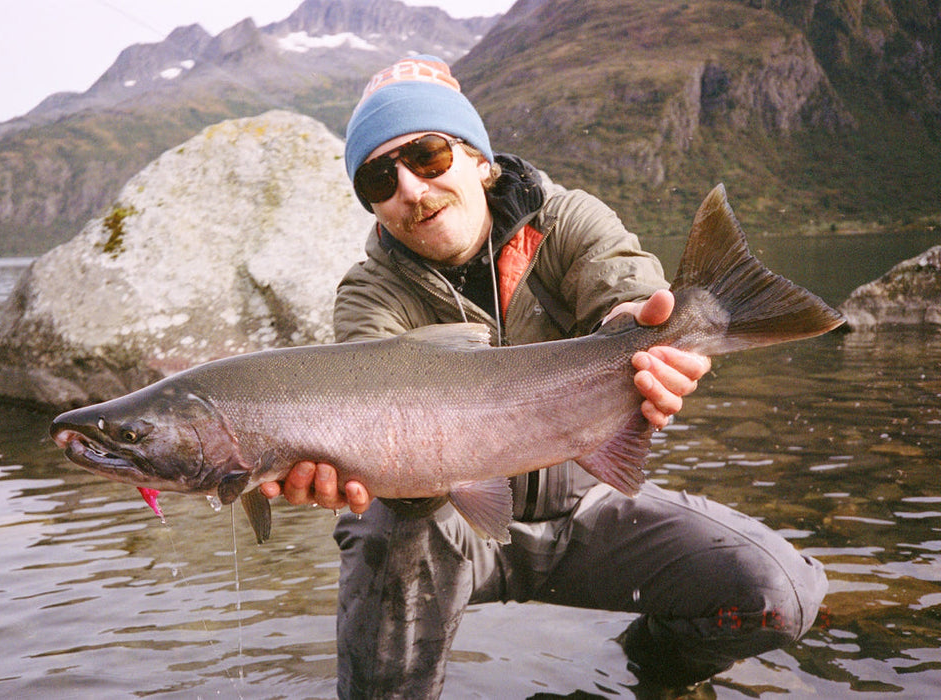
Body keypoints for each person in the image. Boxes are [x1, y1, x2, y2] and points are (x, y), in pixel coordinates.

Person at [260, 55, 827, 698]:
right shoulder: (368, 295)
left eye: (427, 156)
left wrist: (643, 328)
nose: (410, 189)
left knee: (779, 594)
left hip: (587, 506)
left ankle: (643, 675)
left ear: (479, 161)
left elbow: (624, 293)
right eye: (379, 178)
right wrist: (344, 467)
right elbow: (377, 442)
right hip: (440, 526)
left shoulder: (567, 221)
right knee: (383, 531)